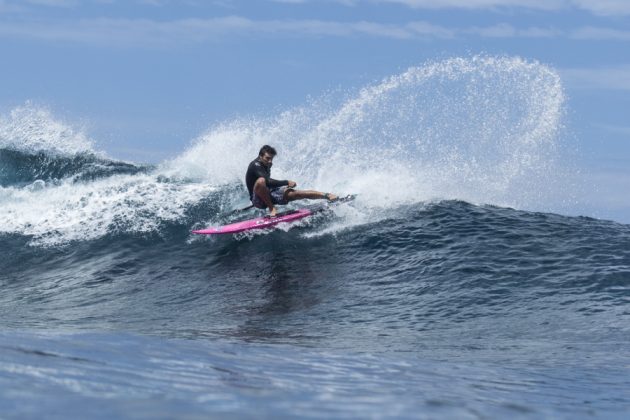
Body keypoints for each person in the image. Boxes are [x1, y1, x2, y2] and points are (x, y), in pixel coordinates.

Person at [246, 145, 338, 216]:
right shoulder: (255, 165)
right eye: (267, 158)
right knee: (261, 181)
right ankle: (271, 208)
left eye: (272, 158)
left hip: (269, 193)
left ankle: (327, 195)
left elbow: (269, 184)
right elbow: (267, 181)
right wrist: (286, 182)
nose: (270, 161)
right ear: (260, 156)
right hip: (257, 200)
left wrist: (283, 189)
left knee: (295, 193)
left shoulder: (267, 164)